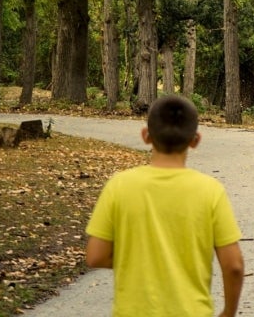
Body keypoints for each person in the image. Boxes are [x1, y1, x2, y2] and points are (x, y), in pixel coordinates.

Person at [85, 95, 244, 317]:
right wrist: (228, 312)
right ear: (195, 140)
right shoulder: (211, 191)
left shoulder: (119, 186)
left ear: (146, 136)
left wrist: (140, 259)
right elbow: (234, 266)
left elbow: (95, 256)